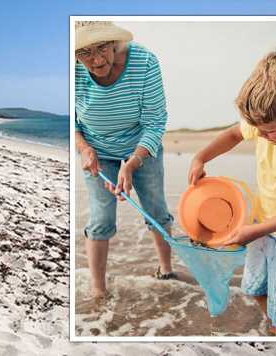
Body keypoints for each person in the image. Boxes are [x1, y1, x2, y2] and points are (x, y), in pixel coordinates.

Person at [188, 51, 276, 336]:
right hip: (261, 227)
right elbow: (232, 135)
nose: (261, 136)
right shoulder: (265, 125)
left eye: (270, 132)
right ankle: (275, 323)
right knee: (255, 289)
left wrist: (257, 231)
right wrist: (200, 157)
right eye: (258, 129)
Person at [74, 21, 175, 300]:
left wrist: (132, 163)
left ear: (114, 43)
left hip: (141, 144)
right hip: (95, 148)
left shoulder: (144, 62)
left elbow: (155, 122)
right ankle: (98, 290)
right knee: (101, 218)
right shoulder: (70, 72)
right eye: (84, 53)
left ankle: (166, 270)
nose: (96, 59)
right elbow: (72, 122)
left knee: (156, 209)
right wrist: (83, 148)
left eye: (102, 48)